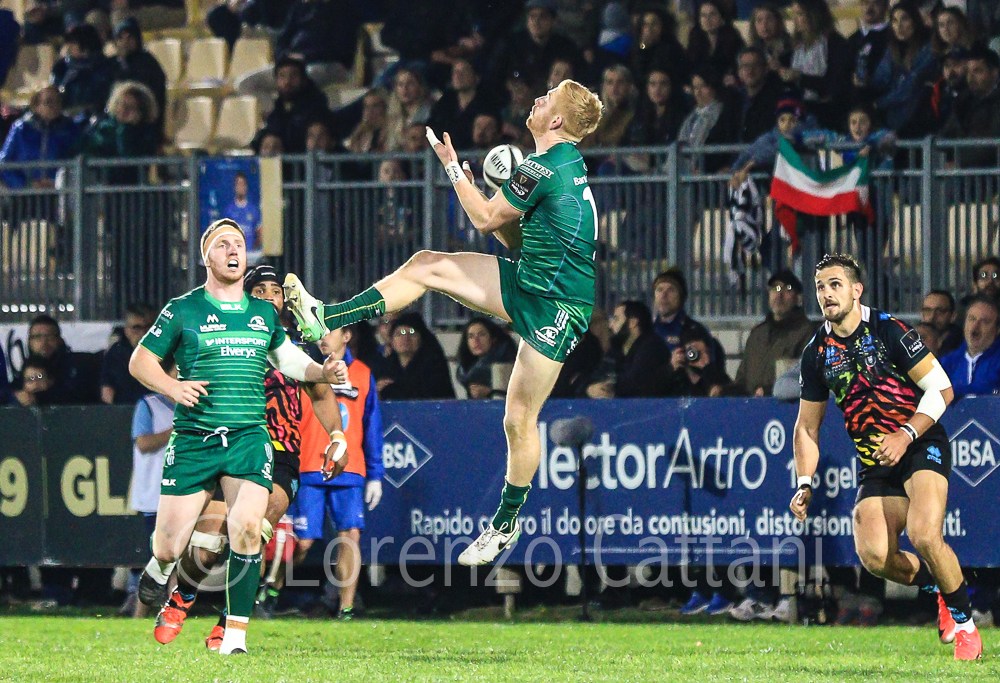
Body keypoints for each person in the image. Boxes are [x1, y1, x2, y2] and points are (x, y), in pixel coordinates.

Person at [282, 77, 603, 566]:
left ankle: (504, 524)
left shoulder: (545, 167)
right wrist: (494, 194)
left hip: (560, 305)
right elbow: (514, 240)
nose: (537, 99)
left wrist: (453, 168)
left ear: (556, 119)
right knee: (426, 265)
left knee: (518, 419)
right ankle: (324, 317)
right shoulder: (557, 165)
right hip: (530, 277)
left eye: (547, 98)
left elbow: (485, 220)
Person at [129, 219, 347, 655]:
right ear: (206, 257)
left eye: (240, 244)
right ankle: (164, 571)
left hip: (253, 440)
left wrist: (322, 371)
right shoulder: (183, 309)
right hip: (196, 440)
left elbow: (291, 362)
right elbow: (140, 362)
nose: (233, 250)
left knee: (249, 529)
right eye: (223, 244)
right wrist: (173, 388)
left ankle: (233, 637)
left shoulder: (263, 318)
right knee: (175, 546)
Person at [792, 253, 983, 661]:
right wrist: (804, 482)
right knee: (876, 556)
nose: (827, 293)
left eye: (835, 284)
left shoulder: (888, 330)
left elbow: (942, 390)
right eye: (821, 286)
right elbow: (807, 427)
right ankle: (943, 584)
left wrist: (905, 432)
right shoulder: (817, 352)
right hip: (876, 460)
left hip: (919, 442)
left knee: (924, 533)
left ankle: (966, 626)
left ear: (856, 290)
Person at [288, 323, 384, 620]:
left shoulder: (362, 373)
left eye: (329, 330)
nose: (323, 337)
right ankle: (270, 590)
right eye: (318, 331)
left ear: (347, 336)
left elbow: (372, 424)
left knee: (350, 536)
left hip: (349, 467)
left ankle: (346, 608)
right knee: (301, 542)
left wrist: (376, 475)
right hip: (308, 465)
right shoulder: (303, 367)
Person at [733, 270, 814, 397]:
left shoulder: (807, 332)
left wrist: (769, 390)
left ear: (798, 298)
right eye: (775, 288)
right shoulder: (757, 334)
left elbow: (806, 377)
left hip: (785, 404)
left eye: (787, 289)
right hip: (751, 405)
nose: (779, 294)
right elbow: (742, 379)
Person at [585, 300, 668, 398]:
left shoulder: (652, 347)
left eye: (616, 319)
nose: (611, 325)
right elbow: (598, 374)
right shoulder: (617, 349)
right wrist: (590, 389)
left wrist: (611, 386)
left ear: (633, 322)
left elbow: (635, 382)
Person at [939, 296, 1000, 398]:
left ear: (997, 329)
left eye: (985, 322)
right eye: (972, 319)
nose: (976, 326)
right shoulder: (947, 362)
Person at [101, 302, 156, 405]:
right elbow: (107, 392)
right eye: (136, 328)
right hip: (124, 410)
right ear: (126, 330)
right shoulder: (116, 354)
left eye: (148, 327)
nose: (143, 333)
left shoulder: (169, 353)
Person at [456, 317, 517, 399]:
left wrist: (491, 391)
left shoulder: (506, 364)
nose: (476, 340)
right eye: (471, 336)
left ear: (493, 339)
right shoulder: (466, 369)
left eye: (482, 335)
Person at [223, 172, 262, 263]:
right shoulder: (229, 210)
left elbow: (259, 232)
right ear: (235, 187)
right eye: (238, 184)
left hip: (250, 256)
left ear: (246, 187)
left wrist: (254, 248)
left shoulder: (253, 210)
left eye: (242, 184)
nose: (240, 187)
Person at [920, 290, 963, 356]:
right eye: (927, 310)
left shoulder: (963, 347)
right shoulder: (911, 341)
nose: (932, 317)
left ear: (953, 316)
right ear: (922, 315)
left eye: (940, 311)